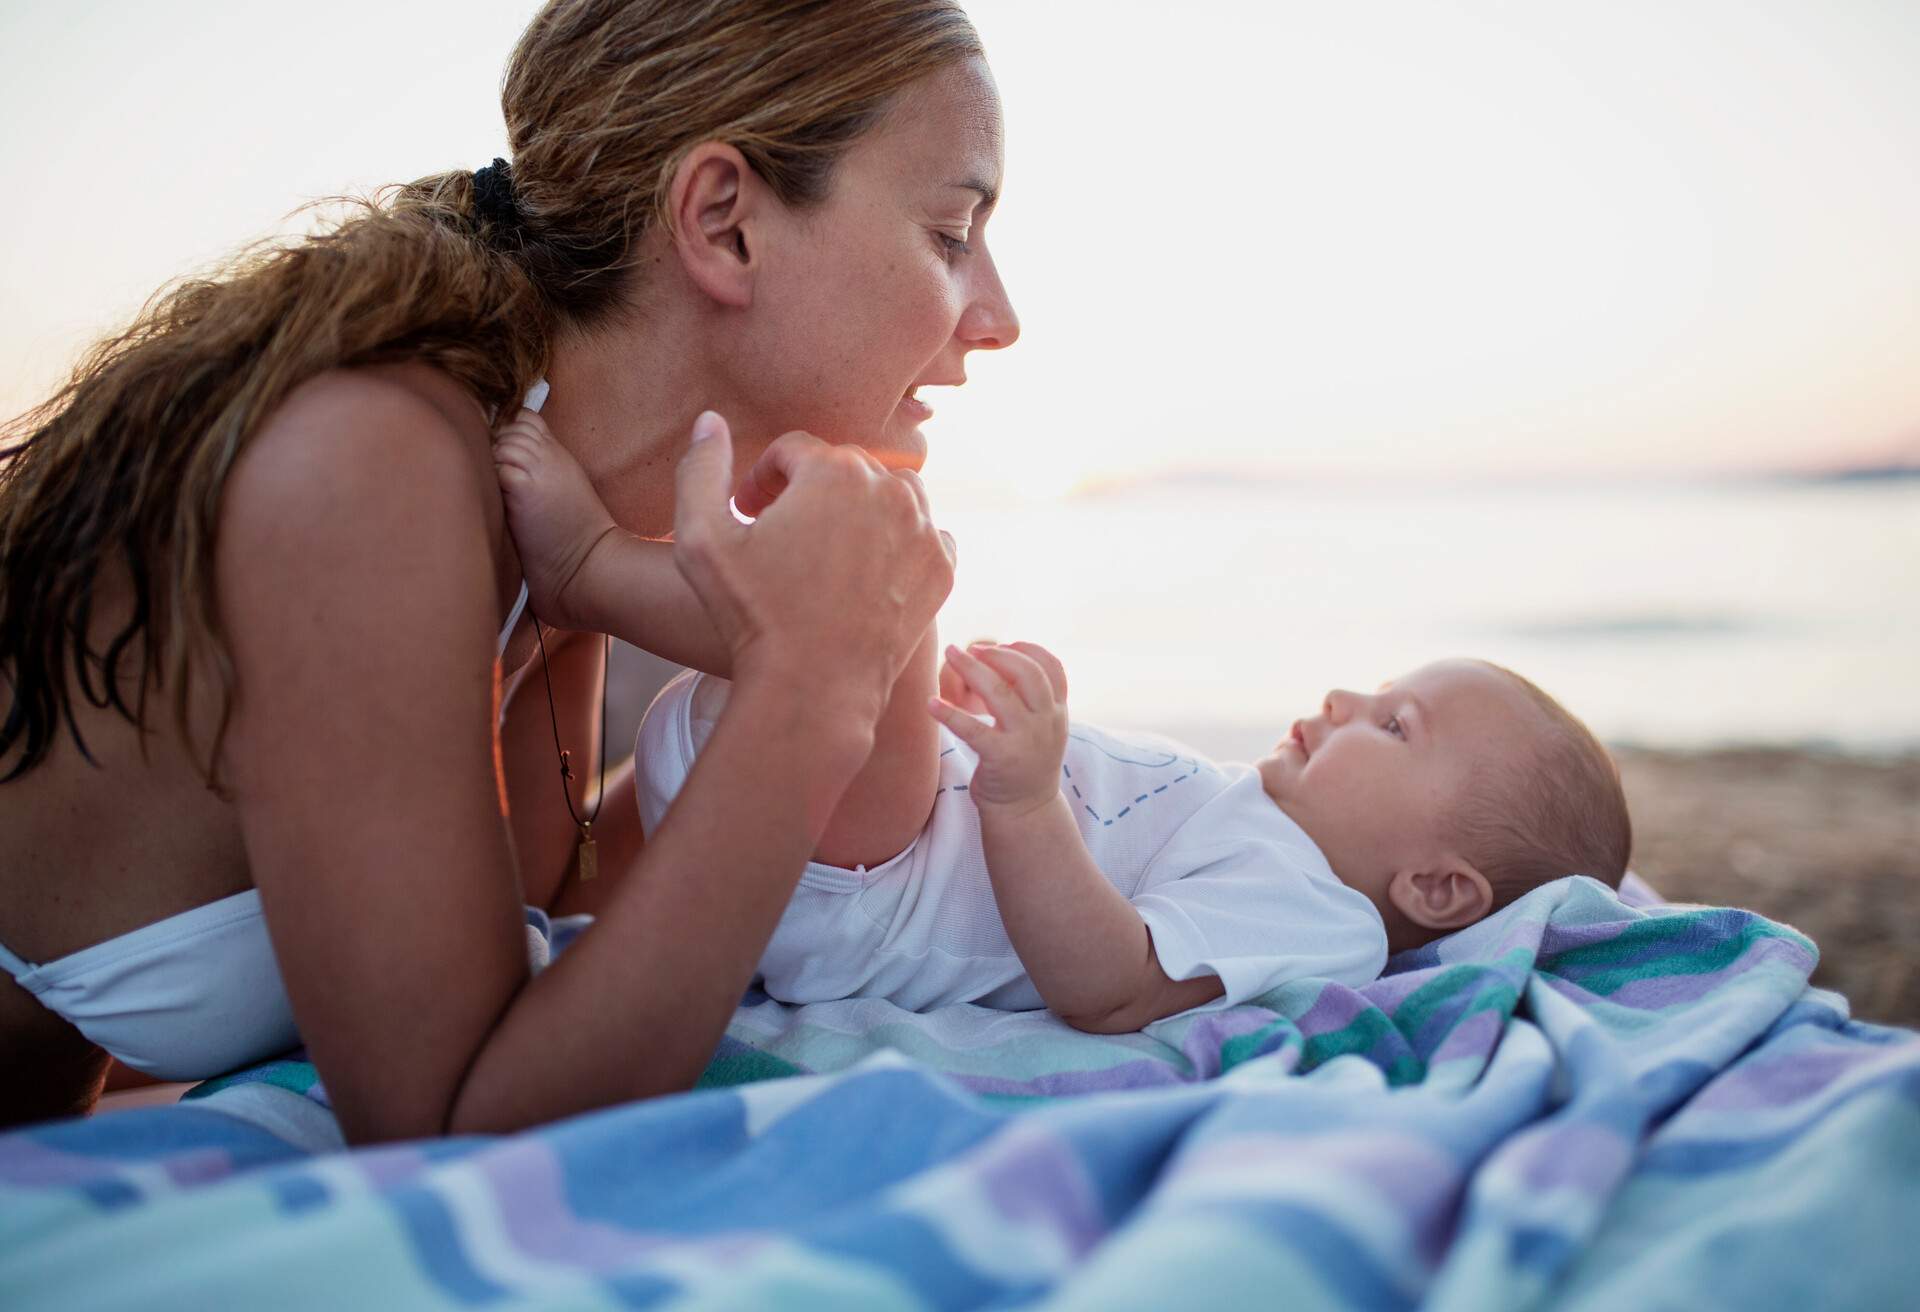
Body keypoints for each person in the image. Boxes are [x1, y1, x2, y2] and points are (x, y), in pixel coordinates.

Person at [0, 0, 1016, 1140]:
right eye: (950, 233)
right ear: (724, 221)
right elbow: (454, 1121)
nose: (999, 317)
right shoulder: (375, 463)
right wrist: (808, 689)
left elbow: (547, 939)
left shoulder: (554, 491)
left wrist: (810, 649)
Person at [492, 413, 1632, 1033]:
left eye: (1391, 729)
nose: (1343, 703)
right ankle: (611, 578)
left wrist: (1027, 795)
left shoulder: (1316, 910)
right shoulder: (1267, 828)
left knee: (887, 597)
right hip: (855, 825)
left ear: (1436, 891)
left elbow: (1115, 983)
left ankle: (593, 568)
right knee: (858, 601)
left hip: (875, 891)